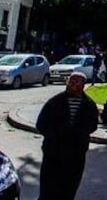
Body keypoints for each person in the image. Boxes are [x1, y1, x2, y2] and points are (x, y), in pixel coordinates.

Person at [36, 72, 99, 200]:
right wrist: (54, 136)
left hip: (75, 154)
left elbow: (92, 125)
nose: (71, 85)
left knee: (69, 187)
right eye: (70, 81)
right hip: (54, 152)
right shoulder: (55, 102)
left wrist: (78, 135)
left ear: (82, 85)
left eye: (75, 82)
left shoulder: (88, 105)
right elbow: (41, 124)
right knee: (48, 188)